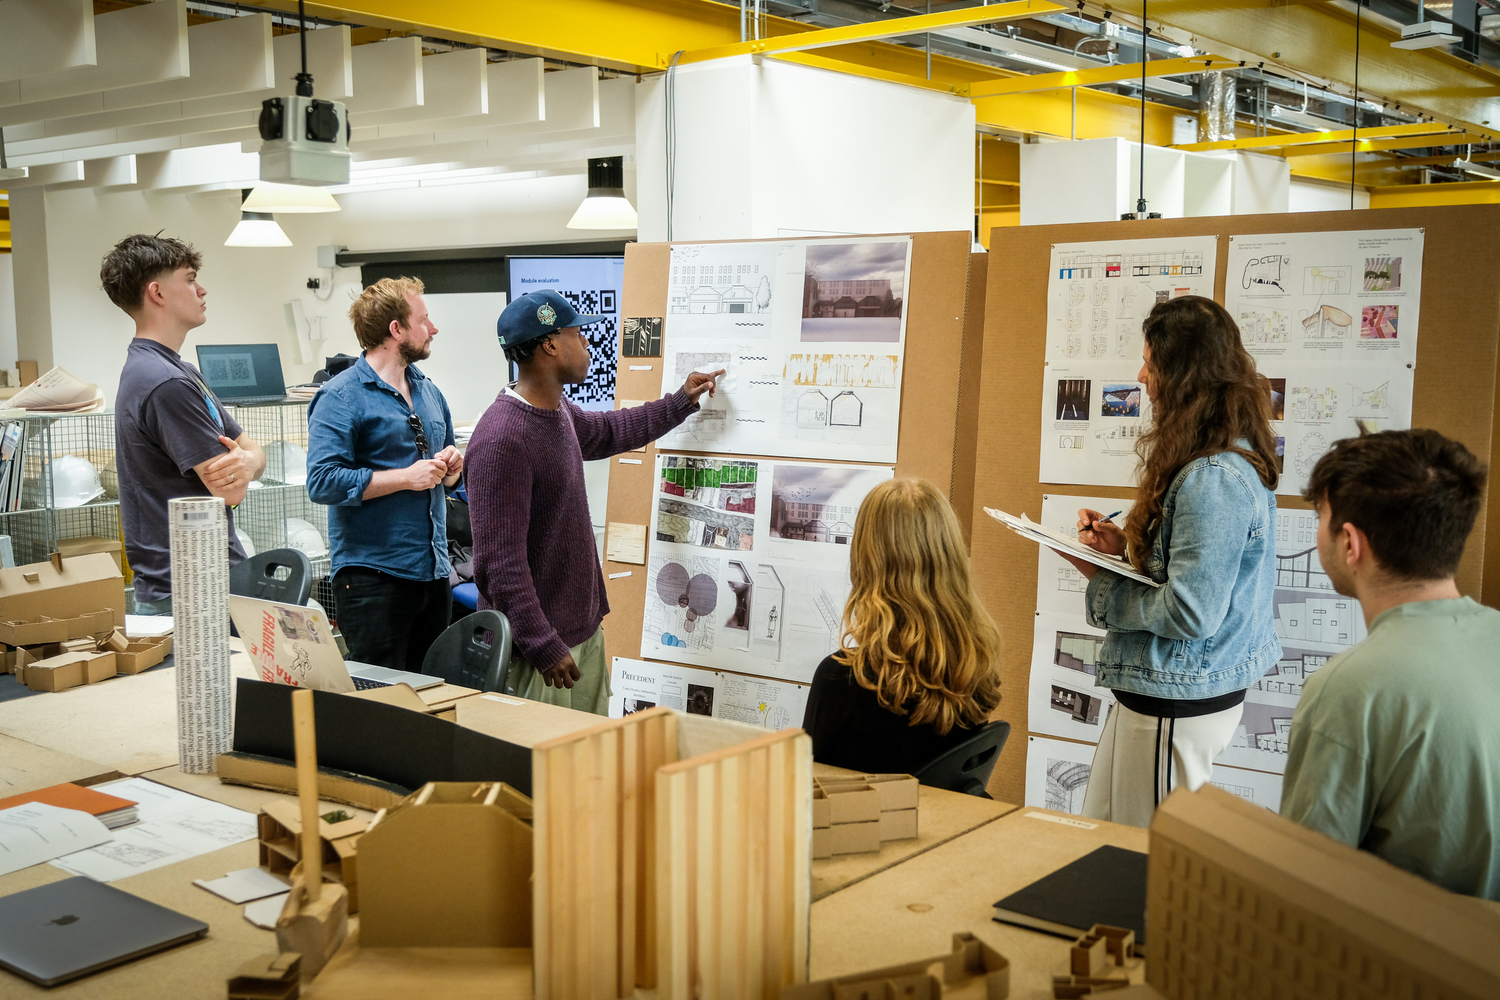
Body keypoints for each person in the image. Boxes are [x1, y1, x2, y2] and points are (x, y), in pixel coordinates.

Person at [1065, 295, 1280, 828]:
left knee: (1149, 857)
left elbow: (1190, 612)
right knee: (1105, 838)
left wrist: (1103, 587)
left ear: (1184, 375)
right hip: (1159, 693)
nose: (1141, 376)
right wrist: (1124, 550)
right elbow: (1191, 575)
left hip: (1175, 699)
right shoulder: (1214, 459)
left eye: (1150, 363)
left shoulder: (1214, 477)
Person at [466, 290, 721, 713]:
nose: (587, 343)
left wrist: (680, 402)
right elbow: (498, 565)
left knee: (590, 753)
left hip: (580, 633)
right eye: (577, 334)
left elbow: (609, 431)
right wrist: (543, 644)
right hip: (538, 653)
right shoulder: (502, 440)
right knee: (538, 757)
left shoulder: (557, 410)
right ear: (550, 345)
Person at [1281, 429, 1498, 900]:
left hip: (1410, 946)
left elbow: (1304, 890)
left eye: (1321, 516)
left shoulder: (1348, 689)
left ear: (1351, 543)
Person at [102, 234, 265, 615]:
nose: (201, 289)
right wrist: (247, 464)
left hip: (199, 581)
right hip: (190, 591)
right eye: (190, 279)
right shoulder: (165, 382)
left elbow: (252, 453)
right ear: (157, 292)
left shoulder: (179, 371)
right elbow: (231, 492)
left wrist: (249, 462)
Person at [306, 277, 463, 672]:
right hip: (373, 580)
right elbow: (323, 481)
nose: (433, 328)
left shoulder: (429, 391)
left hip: (433, 573)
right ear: (396, 330)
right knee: (381, 699)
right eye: (423, 320)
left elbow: (445, 479)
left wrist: (451, 471)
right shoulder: (340, 396)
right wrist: (404, 478)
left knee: (431, 692)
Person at [802, 477, 1002, 775]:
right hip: (934, 807)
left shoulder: (843, 678)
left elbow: (805, 785)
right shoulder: (973, 666)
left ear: (864, 560)